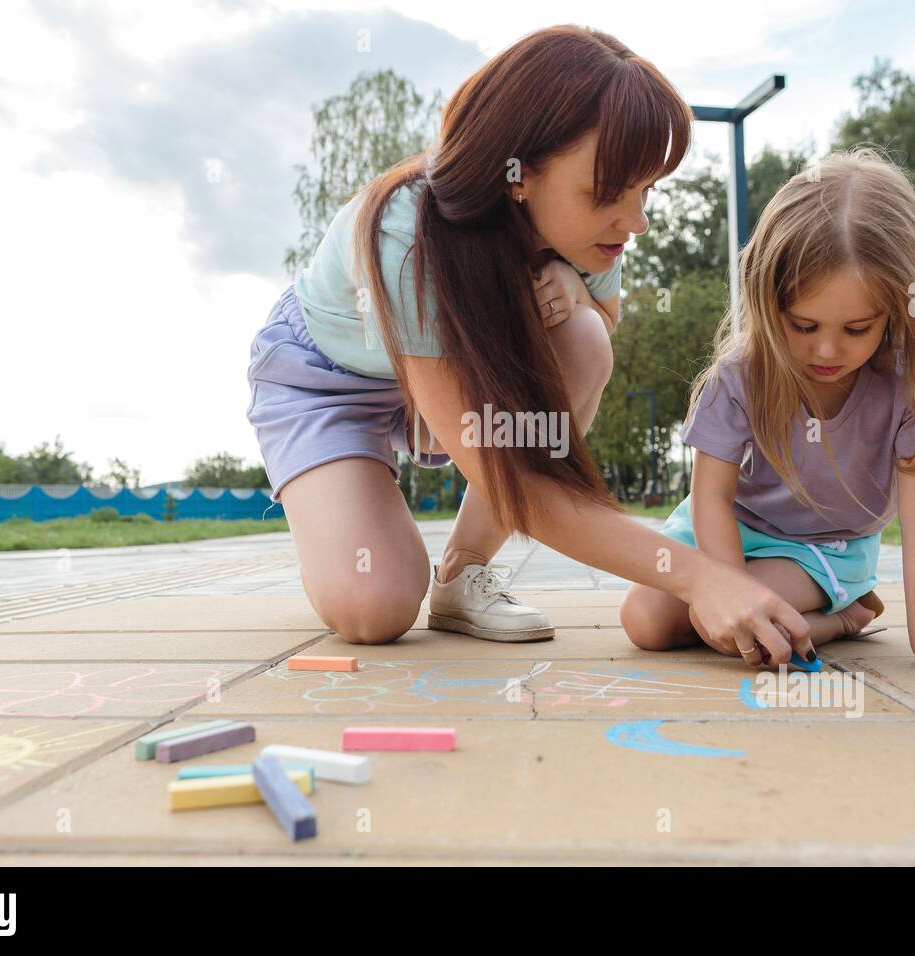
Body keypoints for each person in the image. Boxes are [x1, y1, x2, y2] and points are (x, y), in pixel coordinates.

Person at [247, 25, 814, 662]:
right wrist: (702, 576)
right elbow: (512, 475)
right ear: (518, 173)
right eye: (607, 193)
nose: (635, 221)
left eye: (646, 190)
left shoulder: (592, 233)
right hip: (328, 381)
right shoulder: (408, 234)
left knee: (585, 336)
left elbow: (604, 320)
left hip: (448, 380)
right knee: (372, 608)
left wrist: (574, 289)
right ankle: (333, 522)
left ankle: (463, 571)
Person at [621, 147, 915, 676]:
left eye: (857, 329)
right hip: (725, 526)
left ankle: (844, 616)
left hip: (824, 547)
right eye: (803, 326)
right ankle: (832, 616)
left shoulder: (912, 387)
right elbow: (710, 497)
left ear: (900, 311)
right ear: (767, 299)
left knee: (746, 634)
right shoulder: (740, 375)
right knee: (645, 622)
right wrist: (727, 586)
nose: (827, 351)